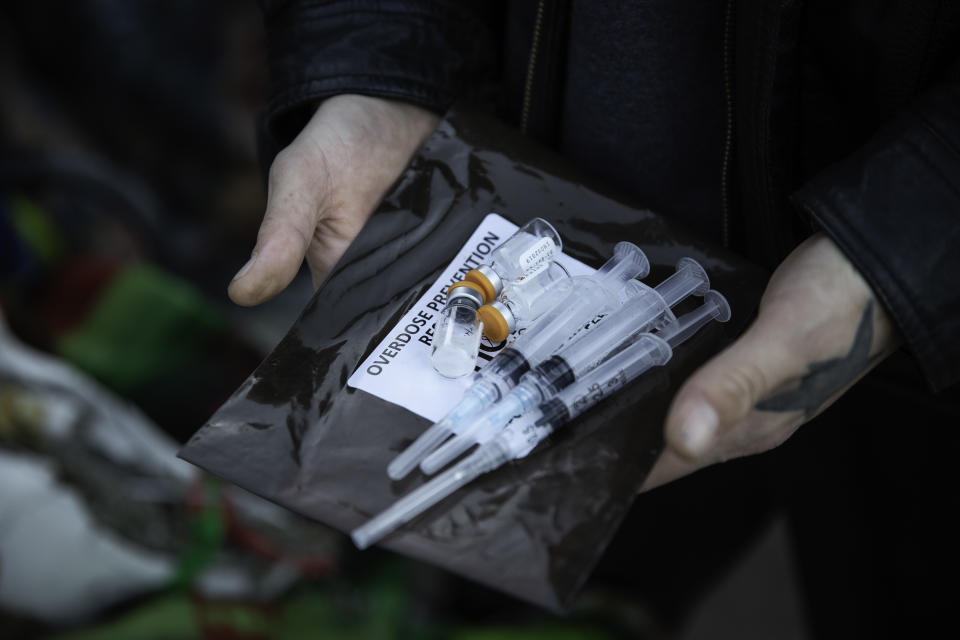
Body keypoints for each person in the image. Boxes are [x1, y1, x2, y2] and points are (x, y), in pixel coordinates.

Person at [228, 1, 959, 635]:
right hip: (534, 181)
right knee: (567, 559)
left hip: (912, 355)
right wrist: (376, 65)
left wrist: (908, 254)